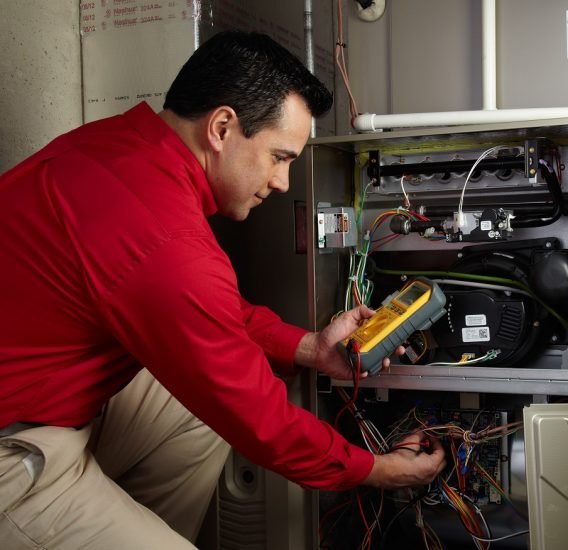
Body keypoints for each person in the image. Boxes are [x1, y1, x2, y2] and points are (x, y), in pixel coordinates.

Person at [0, 30, 446, 549]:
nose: (282, 182)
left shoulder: (116, 148)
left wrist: (310, 349)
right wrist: (379, 471)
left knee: (191, 413)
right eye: (280, 157)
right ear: (222, 127)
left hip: (41, 394)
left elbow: (205, 314)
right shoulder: (165, 239)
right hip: (16, 442)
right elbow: (261, 422)